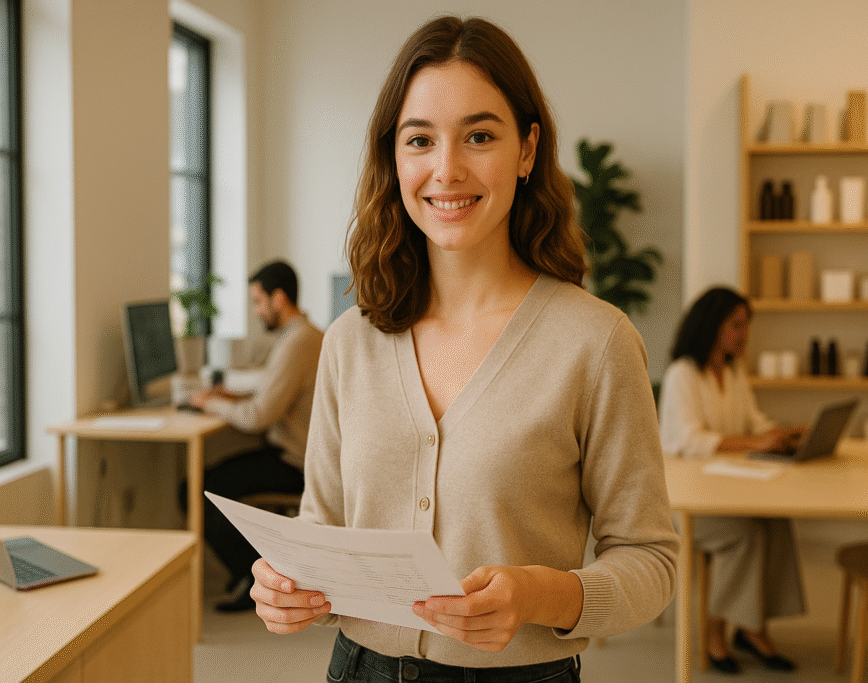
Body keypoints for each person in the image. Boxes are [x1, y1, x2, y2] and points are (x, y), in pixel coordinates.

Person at [249, 15, 679, 682]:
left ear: (528, 150)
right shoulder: (348, 342)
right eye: (420, 139)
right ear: (394, 157)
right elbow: (323, 529)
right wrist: (289, 586)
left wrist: (540, 593)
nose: (447, 170)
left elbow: (652, 561)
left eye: (480, 135)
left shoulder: (595, 343)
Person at [659, 286, 805, 674]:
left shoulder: (734, 372)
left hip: (726, 486)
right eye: (736, 325)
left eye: (747, 326)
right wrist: (757, 441)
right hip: (689, 501)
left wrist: (782, 434)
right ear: (713, 325)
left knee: (775, 522)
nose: (744, 335)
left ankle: (751, 626)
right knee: (745, 534)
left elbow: (754, 422)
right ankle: (714, 632)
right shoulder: (682, 375)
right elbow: (688, 440)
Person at [184, 260, 324, 612]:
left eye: (258, 301)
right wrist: (230, 398)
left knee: (198, 489)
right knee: (207, 482)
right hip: (296, 454)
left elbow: (259, 416)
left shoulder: (299, 342)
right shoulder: (301, 336)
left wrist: (211, 402)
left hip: (294, 462)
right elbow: (270, 394)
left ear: (278, 298)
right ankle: (249, 571)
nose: (257, 311)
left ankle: (252, 576)